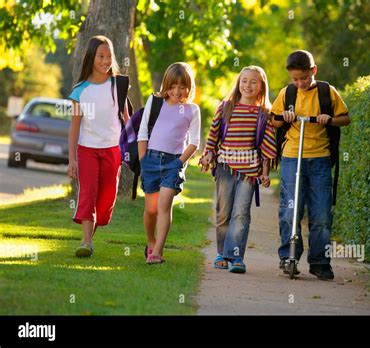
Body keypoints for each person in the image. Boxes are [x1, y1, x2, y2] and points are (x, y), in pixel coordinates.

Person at [271, 50, 351, 280]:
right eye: (295, 79)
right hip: (292, 157)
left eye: (303, 78)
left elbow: (345, 118)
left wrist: (330, 119)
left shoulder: (327, 92)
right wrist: (284, 117)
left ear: (313, 71)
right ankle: (288, 256)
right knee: (290, 210)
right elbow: (274, 120)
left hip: (320, 159)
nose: (299, 83)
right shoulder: (287, 93)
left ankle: (319, 262)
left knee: (322, 213)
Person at [200, 66, 277, 273]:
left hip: (249, 172)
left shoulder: (264, 114)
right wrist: (208, 155)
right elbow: (213, 136)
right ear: (238, 83)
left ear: (261, 87)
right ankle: (221, 253)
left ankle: (235, 256)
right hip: (225, 167)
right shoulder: (226, 107)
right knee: (223, 213)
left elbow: (266, 147)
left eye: (253, 82)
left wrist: (265, 172)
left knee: (241, 214)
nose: (248, 85)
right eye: (244, 80)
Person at [68, 35, 130, 258]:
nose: (105, 61)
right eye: (100, 56)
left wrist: (128, 148)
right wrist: (72, 159)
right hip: (87, 150)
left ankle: (89, 238)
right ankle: (86, 242)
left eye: (109, 56)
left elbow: (127, 119)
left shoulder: (118, 85)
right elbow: (74, 127)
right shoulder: (79, 91)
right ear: (91, 58)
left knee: (106, 200)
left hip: (113, 150)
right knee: (88, 193)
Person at [138, 62, 201, 264]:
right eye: (173, 86)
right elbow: (142, 133)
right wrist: (142, 161)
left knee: (164, 205)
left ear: (189, 87)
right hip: (151, 159)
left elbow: (194, 143)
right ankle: (151, 241)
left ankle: (157, 252)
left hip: (174, 163)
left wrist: (179, 163)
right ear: (166, 84)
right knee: (151, 209)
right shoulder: (155, 102)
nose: (177, 91)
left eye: (182, 87)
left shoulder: (192, 110)